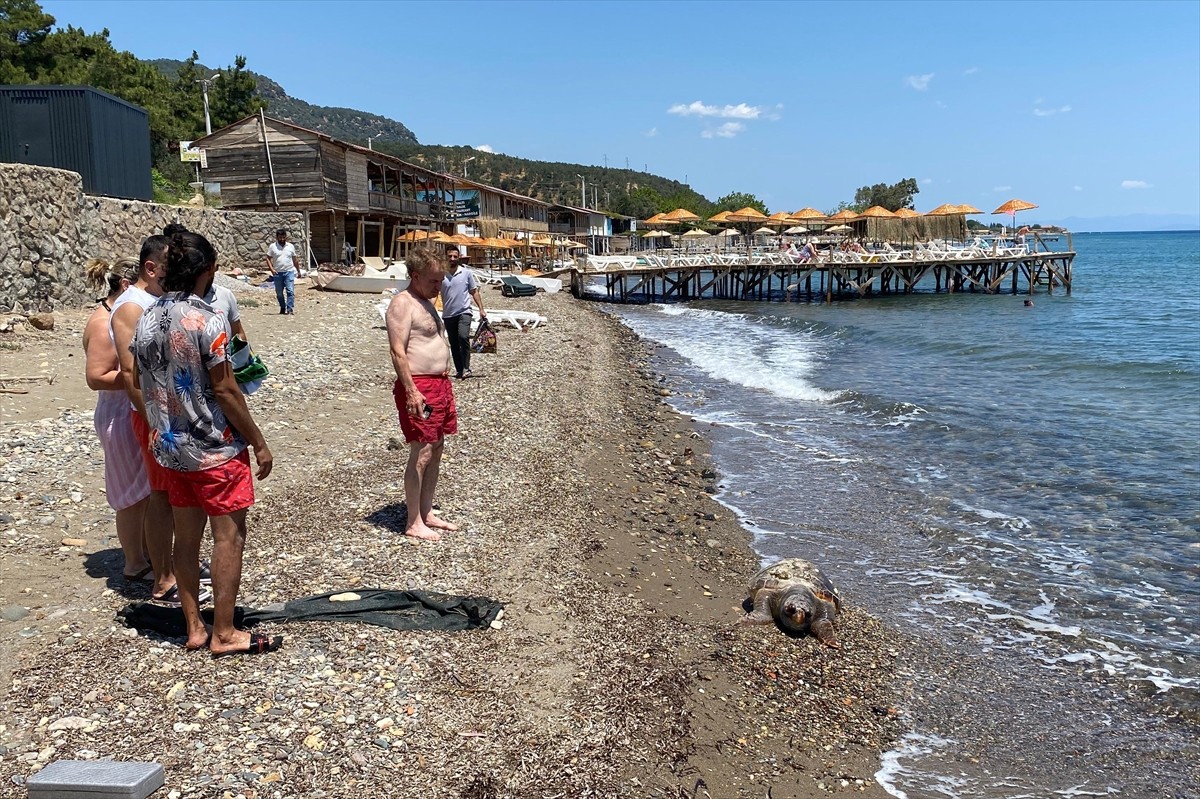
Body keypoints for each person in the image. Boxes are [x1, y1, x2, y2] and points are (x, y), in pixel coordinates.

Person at [132, 229, 280, 657]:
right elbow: (227, 390)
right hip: (212, 448)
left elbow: (140, 379)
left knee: (187, 537)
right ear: (208, 270)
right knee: (228, 537)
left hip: (171, 446)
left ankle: (195, 626)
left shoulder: (147, 316)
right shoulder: (206, 318)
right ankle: (226, 632)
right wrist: (259, 442)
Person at [110, 235, 178, 603]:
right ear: (151, 269)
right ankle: (163, 575)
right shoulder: (130, 308)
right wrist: (155, 423)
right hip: (154, 417)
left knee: (172, 493)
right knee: (160, 495)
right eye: (170, 267)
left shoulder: (154, 301)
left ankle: (170, 564)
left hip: (170, 413)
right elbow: (129, 371)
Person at [83, 257, 151, 580]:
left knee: (145, 489)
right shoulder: (102, 323)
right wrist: (137, 376)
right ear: (125, 286)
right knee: (130, 494)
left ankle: (149, 553)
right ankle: (134, 562)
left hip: (127, 409)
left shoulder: (114, 317)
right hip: (117, 414)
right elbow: (95, 376)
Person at [385, 247, 460, 541]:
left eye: (440, 280)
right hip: (421, 387)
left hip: (440, 384)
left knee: (437, 446)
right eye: (433, 281)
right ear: (415, 276)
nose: (438, 286)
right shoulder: (402, 304)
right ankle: (413, 521)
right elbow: (397, 352)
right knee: (423, 449)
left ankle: (426, 512)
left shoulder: (425, 300)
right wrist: (412, 391)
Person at [166, 224, 248, 341]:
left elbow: (238, 334)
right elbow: (217, 358)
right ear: (209, 268)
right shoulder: (211, 320)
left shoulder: (150, 311)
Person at [440, 246, 487, 380]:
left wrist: (481, 309)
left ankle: (466, 367)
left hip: (464, 311)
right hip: (448, 314)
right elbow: (433, 293)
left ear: (459, 257)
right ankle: (460, 370)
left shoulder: (466, 273)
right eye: (450, 256)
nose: (452, 259)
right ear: (446, 257)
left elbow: (474, 291)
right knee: (454, 343)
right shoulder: (441, 274)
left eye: (455, 256)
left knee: (463, 337)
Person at [266, 228, 300, 315]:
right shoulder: (272, 247)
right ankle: (282, 307)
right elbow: (268, 258)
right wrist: (272, 270)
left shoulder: (290, 246)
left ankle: (289, 309)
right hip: (277, 273)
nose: (282, 239)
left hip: (289, 271)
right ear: (277, 237)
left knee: (290, 291)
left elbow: (295, 259)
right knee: (279, 293)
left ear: (286, 237)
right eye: (280, 237)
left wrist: (298, 271)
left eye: (283, 237)